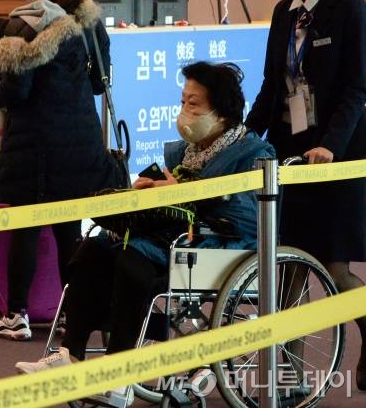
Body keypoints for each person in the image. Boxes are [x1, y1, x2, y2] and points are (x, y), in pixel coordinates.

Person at [16, 62, 274, 407]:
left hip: (216, 242)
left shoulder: (253, 154)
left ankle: (119, 373)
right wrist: (146, 190)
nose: (184, 111)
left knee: (131, 259)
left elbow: (246, 218)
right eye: (183, 101)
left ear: (222, 112)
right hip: (165, 233)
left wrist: (182, 190)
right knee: (93, 249)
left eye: (194, 104)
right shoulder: (185, 153)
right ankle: (70, 354)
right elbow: (168, 193)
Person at [245, 0, 366, 391]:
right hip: (288, 158)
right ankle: (288, 380)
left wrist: (329, 149)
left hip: (335, 159)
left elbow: (357, 91)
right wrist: (242, 140)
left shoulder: (351, 10)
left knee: (334, 269)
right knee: (287, 271)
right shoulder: (282, 13)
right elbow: (271, 88)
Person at [0, 0, 117, 341]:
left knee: (25, 225)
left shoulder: (23, 23)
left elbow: (18, 90)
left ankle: (16, 315)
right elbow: (98, 83)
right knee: (68, 231)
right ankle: (72, 314)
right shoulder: (89, 21)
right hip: (80, 142)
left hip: (34, 143)